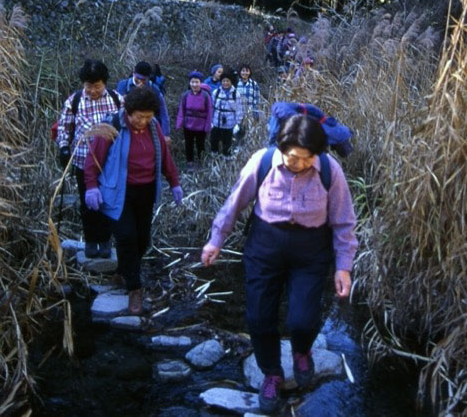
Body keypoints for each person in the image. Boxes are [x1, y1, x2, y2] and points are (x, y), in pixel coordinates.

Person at [200, 114, 358, 414]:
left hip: (310, 253)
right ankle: (271, 373)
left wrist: (343, 266)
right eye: (291, 156)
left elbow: (343, 222)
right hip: (265, 248)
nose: (296, 163)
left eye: (304, 158)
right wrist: (215, 240)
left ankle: (301, 351)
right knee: (259, 318)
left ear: (317, 154)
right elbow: (235, 202)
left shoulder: (329, 171)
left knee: (302, 319)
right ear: (280, 147)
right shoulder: (263, 162)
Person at [84, 86, 183, 315]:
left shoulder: (153, 126)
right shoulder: (111, 127)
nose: (143, 121)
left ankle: (122, 272)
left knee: (142, 240)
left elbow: (165, 158)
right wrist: (91, 187)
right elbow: (93, 159)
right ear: (128, 112)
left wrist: (174, 182)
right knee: (126, 237)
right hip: (119, 192)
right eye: (139, 117)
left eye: (148, 116)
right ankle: (134, 289)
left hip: (146, 190)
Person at [56, 59, 122, 259]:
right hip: (83, 162)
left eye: (97, 86)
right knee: (88, 204)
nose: (92, 90)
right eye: (88, 86)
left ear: (105, 83)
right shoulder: (75, 101)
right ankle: (91, 242)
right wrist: (64, 148)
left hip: (110, 165)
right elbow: (63, 127)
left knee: (107, 203)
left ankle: (105, 241)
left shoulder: (117, 99)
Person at [116, 61, 171, 143]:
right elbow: (117, 107)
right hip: (127, 125)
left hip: (148, 125)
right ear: (133, 73)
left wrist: (165, 134)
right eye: (138, 79)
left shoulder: (154, 88)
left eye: (143, 80)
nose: (141, 82)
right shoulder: (123, 85)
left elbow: (163, 112)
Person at [175, 70, 213, 169]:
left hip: (201, 124)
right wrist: (179, 123)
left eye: (197, 82)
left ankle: (201, 162)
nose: (194, 84)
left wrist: (208, 126)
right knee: (189, 144)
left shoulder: (205, 96)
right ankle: (190, 163)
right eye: (192, 82)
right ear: (189, 83)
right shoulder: (186, 95)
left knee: (201, 145)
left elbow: (209, 111)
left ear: (200, 83)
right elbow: (181, 110)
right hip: (188, 125)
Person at [210, 68, 243, 157]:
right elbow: (211, 107)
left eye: (227, 81)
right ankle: (215, 159)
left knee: (227, 143)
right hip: (216, 122)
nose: (225, 83)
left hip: (229, 123)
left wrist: (238, 124)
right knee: (214, 142)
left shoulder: (236, 94)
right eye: (224, 81)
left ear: (231, 82)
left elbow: (239, 109)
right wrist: (211, 121)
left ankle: (226, 159)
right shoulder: (216, 92)